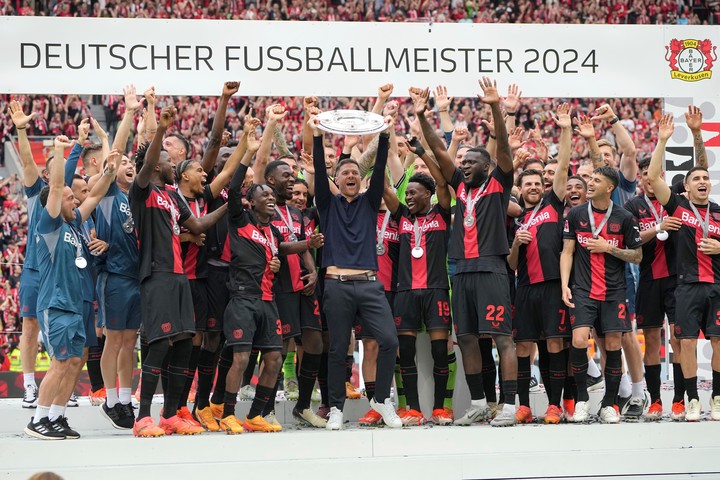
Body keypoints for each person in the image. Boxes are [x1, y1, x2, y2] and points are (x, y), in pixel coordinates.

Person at [417, 78, 517, 427]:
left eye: (473, 162)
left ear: (487, 167)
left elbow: (503, 146)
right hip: (462, 271)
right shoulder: (459, 186)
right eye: (465, 163)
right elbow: (439, 150)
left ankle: (508, 407)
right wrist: (422, 115)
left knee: (503, 339)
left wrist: (494, 106)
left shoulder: (499, 184)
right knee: (469, 339)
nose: (466, 166)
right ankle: (478, 403)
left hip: (491, 269)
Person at [130, 106, 227, 437]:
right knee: (159, 343)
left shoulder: (173, 197)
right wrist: (160, 130)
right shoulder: (143, 190)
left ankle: (170, 414)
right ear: (158, 165)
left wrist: (232, 203)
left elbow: (197, 224)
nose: (174, 166)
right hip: (156, 275)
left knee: (185, 342)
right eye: (170, 163)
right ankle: (143, 417)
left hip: (179, 277)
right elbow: (146, 165)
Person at [220, 130, 323, 433]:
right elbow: (237, 186)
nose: (268, 198)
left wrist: (309, 245)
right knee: (241, 358)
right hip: (243, 298)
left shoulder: (272, 231)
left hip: (268, 301)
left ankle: (255, 415)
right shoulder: (242, 220)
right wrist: (248, 154)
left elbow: (287, 246)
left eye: (270, 195)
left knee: (275, 357)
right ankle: (228, 413)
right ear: (250, 203)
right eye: (262, 195)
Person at [309, 111, 401, 431]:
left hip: (370, 285)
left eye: (354, 172)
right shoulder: (327, 203)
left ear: (361, 180)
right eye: (344, 172)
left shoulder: (368, 200)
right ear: (337, 181)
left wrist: (386, 135)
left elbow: (378, 171)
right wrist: (318, 136)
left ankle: (379, 399)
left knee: (388, 340)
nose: (350, 175)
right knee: (337, 348)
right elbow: (320, 171)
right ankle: (336, 407)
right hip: (336, 284)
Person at [25, 137, 121, 440]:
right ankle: (38, 419)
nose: (75, 201)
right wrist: (58, 150)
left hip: (78, 304)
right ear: (52, 205)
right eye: (69, 199)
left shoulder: (74, 225)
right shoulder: (49, 226)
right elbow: (55, 189)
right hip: (56, 304)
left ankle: (57, 416)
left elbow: (93, 197)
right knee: (60, 362)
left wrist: (108, 173)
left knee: (76, 362)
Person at [646, 113, 720, 422]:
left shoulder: (718, 212)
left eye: (706, 178)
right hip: (687, 286)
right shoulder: (677, 207)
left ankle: (717, 397)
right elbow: (652, 179)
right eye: (696, 179)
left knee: (718, 341)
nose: (702, 181)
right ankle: (692, 399)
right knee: (686, 342)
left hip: (717, 286)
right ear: (686, 188)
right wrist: (663, 140)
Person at [382, 117, 453, 426]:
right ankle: (411, 408)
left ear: (427, 195)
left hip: (437, 289)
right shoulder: (400, 217)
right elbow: (384, 189)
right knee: (405, 353)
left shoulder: (442, 212)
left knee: (440, 352)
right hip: (405, 292)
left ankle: (440, 408)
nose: (408, 197)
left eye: (413, 193)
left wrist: (423, 154)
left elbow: (441, 182)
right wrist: (381, 142)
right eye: (406, 193)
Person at [561, 166, 642, 423]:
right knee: (579, 339)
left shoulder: (624, 217)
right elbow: (567, 252)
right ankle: (582, 400)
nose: (590, 183)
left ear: (610, 188)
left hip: (614, 291)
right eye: (590, 179)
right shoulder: (575, 214)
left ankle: (610, 404)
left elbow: (637, 256)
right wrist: (565, 284)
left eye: (596, 180)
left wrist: (609, 248)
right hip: (583, 290)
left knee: (613, 345)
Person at [508, 103, 572, 424]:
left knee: (555, 343)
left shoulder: (553, 204)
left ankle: (554, 405)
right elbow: (511, 261)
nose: (533, 187)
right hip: (524, 288)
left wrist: (565, 130)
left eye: (537, 183)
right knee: (523, 346)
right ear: (520, 189)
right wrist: (516, 245)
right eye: (527, 184)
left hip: (550, 286)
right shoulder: (516, 217)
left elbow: (561, 169)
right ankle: (523, 406)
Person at [8, 100, 45, 409]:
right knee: (31, 324)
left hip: (61, 272)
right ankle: (30, 385)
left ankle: (61, 383)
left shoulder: (74, 196)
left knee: (60, 324)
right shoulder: (39, 191)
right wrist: (22, 130)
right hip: (35, 269)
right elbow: (28, 164)